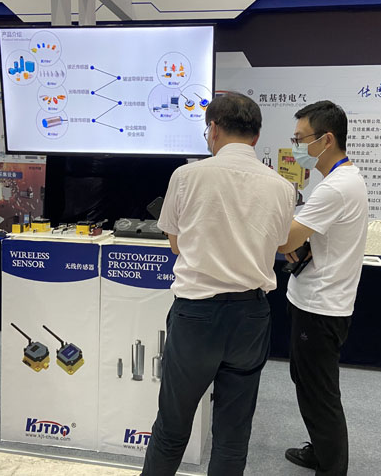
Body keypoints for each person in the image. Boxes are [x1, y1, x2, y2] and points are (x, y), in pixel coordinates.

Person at [142, 93, 296, 476]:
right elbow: (280, 244)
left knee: (172, 427)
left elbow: (175, 243)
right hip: (251, 316)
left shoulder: (187, 176)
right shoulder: (282, 186)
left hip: (196, 315)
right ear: (256, 136)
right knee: (232, 435)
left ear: (212, 129)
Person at [278, 101, 368, 476]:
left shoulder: (335, 188)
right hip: (319, 297)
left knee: (320, 393)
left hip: (320, 305)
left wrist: (279, 222)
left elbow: (286, 240)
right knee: (309, 383)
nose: (296, 146)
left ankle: (331, 467)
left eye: (301, 139)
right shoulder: (340, 179)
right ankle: (320, 450)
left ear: (326, 139)